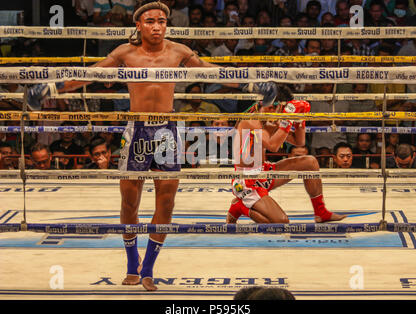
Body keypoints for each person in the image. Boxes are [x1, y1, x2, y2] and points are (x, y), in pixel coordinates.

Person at [27, 0, 278, 291]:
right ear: (138, 25)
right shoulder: (125, 52)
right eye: (150, 21)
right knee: (129, 201)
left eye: (161, 20)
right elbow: (91, 74)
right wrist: (51, 87)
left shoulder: (178, 51)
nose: (157, 26)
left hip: (168, 130)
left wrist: (251, 84)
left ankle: (148, 267)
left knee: (167, 202)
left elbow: (212, 72)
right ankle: (132, 263)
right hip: (137, 129)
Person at [226, 97, 346, 224]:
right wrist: (287, 121)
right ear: (261, 104)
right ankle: (239, 207)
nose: (272, 110)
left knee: (310, 162)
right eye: (270, 107)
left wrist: (300, 119)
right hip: (246, 181)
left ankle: (321, 212)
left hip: (263, 172)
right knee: (281, 222)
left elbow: (299, 142)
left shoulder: (271, 123)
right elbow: (273, 146)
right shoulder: (249, 122)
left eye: (276, 108)